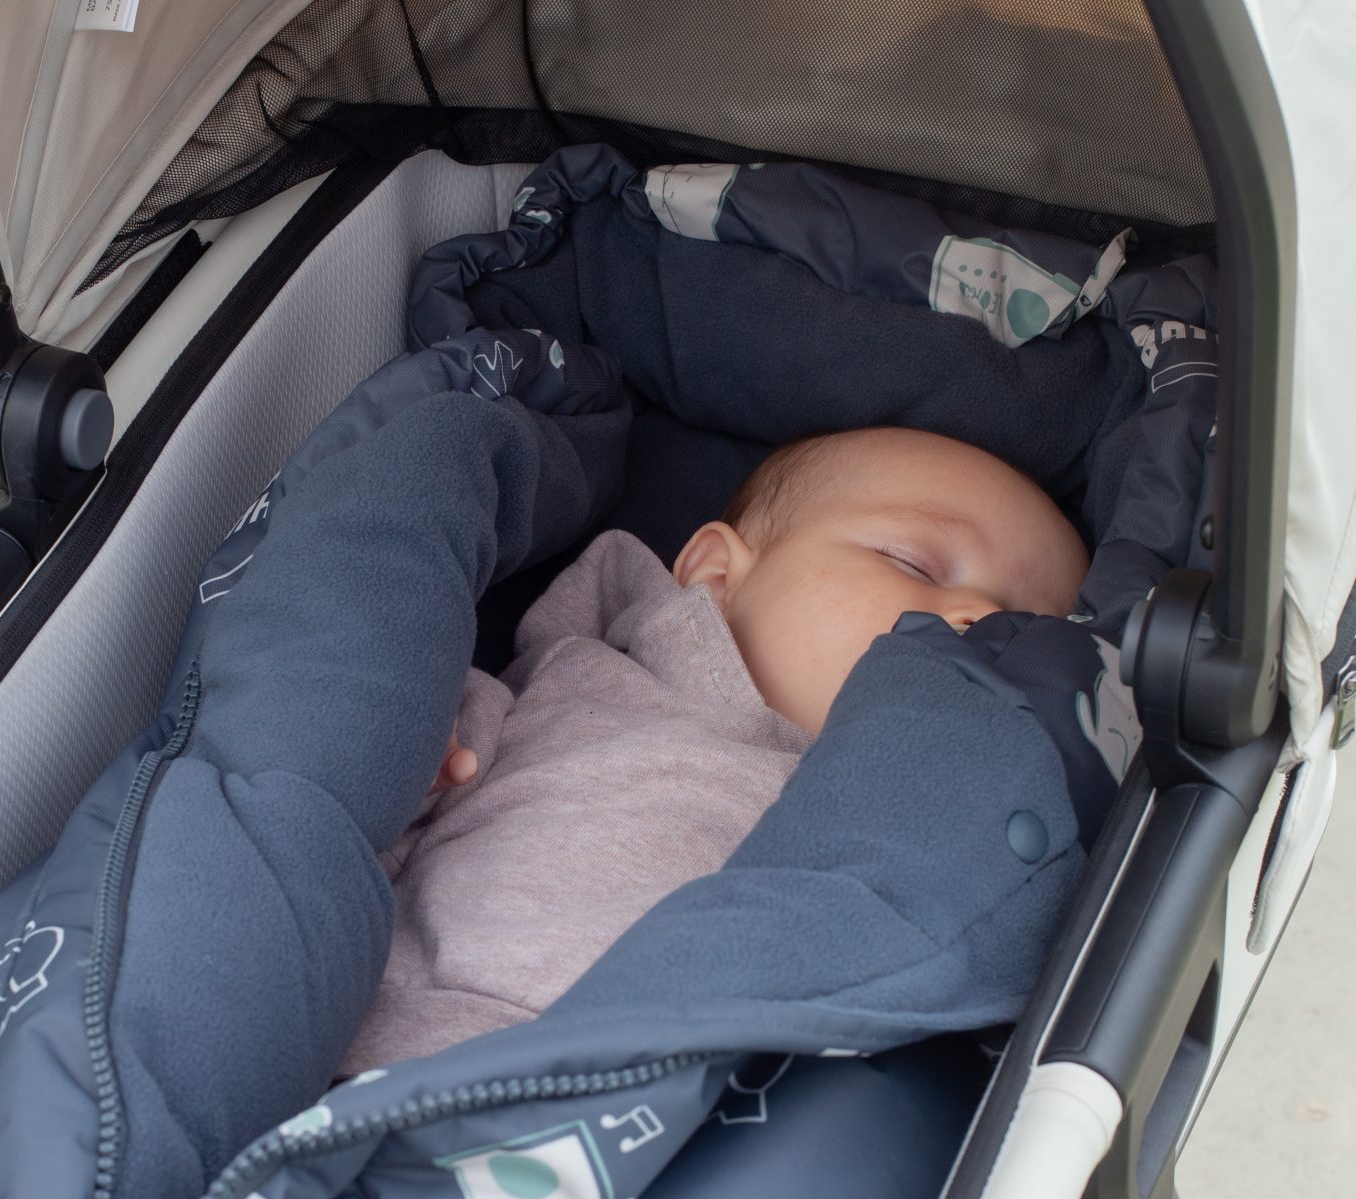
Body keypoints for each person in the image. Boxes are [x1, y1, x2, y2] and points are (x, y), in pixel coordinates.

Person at [340, 424, 1089, 1076]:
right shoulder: (579, 680)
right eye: (913, 564)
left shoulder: (950, 829)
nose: (981, 617)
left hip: (673, 1121)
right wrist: (405, 745)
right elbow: (364, 798)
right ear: (718, 576)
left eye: (1025, 631)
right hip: (393, 1055)